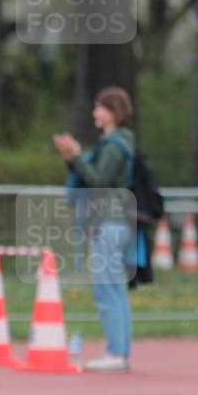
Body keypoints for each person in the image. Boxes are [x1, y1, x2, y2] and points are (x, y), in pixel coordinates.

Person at [54, 86, 135, 372]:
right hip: (118, 221)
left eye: (100, 107)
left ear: (114, 112)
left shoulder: (113, 145)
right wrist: (73, 158)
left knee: (106, 289)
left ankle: (115, 353)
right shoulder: (118, 142)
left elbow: (99, 183)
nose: (95, 112)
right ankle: (120, 353)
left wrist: (76, 157)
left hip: (110, 222)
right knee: (116, 288)